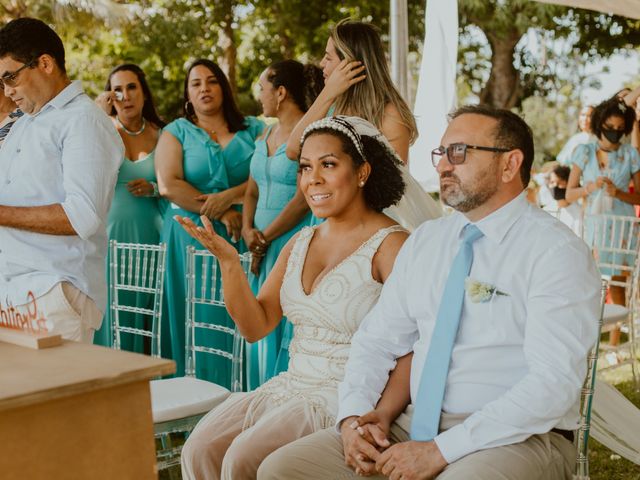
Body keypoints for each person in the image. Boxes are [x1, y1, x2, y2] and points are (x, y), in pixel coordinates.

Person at [259, 105, 601, 480]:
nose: (442, 166)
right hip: (412, 424)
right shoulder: (428, 241)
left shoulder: (555, 252)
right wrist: (354, 418)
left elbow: (552, 386)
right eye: (441, 153)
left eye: (459, 152)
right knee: (282, 469)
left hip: (516, 437)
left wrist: (440, 451)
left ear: (509, 164)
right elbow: (376, 341)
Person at [176, 116, 409, 480]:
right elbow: (256, 326)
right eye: (304, 168)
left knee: (242, 459)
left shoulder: (392, 245)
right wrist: (229, 264)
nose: (312, 179)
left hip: (343, 394)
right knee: (199, 449)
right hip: (289, 386)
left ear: (362, 172)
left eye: (328, 165)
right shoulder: (300, 242)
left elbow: (416, 342)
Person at [0, 18, 123, 342]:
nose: (7, 90)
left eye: (10, 77)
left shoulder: (83, 120)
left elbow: (82, 215)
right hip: (12, 293)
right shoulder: (24, 124)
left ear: (45, 63)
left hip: (56, 293)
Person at [155, 59, 263, 383]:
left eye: (212, 81)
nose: (204, 88)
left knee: (240, 314)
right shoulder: (175, 132)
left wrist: (230, 197)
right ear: (188, 94)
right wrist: (219, 211)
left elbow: (267, 173)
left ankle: (243, 392)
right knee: (200, 315)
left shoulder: (255, 129)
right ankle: (198, 393)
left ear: (224, 88)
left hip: (243, 233)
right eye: (196, 83)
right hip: (192, 236)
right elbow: (168, 185)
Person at [242, 60, 324, 389]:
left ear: (280, 92)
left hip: (290, 240)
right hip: (258, 242)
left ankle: (283, 394)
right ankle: (258, 392)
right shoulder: (265, 133)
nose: (259, 96)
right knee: (259, 320)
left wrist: (267, 236)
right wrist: (249, 230)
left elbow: (304, 200)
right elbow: (251, 190)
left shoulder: (308, 135)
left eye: (262, 88)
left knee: (286, 320)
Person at [93, 64, 166, 351]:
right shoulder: (102, 129)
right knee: (114, 309)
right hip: (112, 234)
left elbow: (175, 181)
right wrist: (98, 117)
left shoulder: (164, 134)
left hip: (152, 233)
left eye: (131, 87)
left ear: (144, 93)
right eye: (117, 90)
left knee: (147, 309)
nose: (125, 96)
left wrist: (155, 189)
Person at [566, 96, 639, 347]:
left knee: (618, 283)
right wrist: (588, 188)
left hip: (621, 226)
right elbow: (568, 194)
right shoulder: (584, 152)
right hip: (594, 226)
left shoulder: (630, 154)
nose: (614, 133)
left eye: (620, 129)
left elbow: (639, 195)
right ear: (600, 124)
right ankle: (587, 338)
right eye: (610, 127)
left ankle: (615, 341)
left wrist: (618, 193)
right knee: (590, 283)